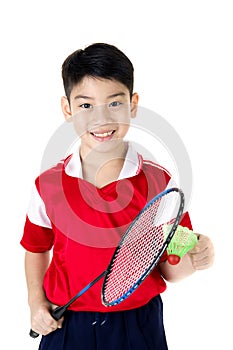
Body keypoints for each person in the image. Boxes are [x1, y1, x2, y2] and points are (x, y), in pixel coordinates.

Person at [20, 43, 214, 350]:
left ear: (133, 104)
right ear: (67, 108)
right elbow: (36, 247)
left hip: (138, 324)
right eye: (85, 106)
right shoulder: (48, 185)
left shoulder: (158, 182)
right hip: (67, 324)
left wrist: (199, 256)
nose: (101, 119)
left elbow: (172, 269)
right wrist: (35, 302)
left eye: (114, 103)